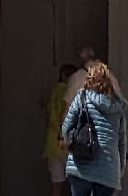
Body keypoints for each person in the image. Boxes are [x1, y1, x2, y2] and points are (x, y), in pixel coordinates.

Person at [60, 59, 128, 196]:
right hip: (108, 170)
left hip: (81, 164)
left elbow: (66, 127)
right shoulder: (118, 108)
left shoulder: (81, 98)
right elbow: (121, 143)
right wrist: (119, 170)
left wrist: (71, 146)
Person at [44, 63, 78, 196]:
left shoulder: (54, 93)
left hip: (53, 145)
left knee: (56, 184)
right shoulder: (70, 93)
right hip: (68, 144)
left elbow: (50, 118)